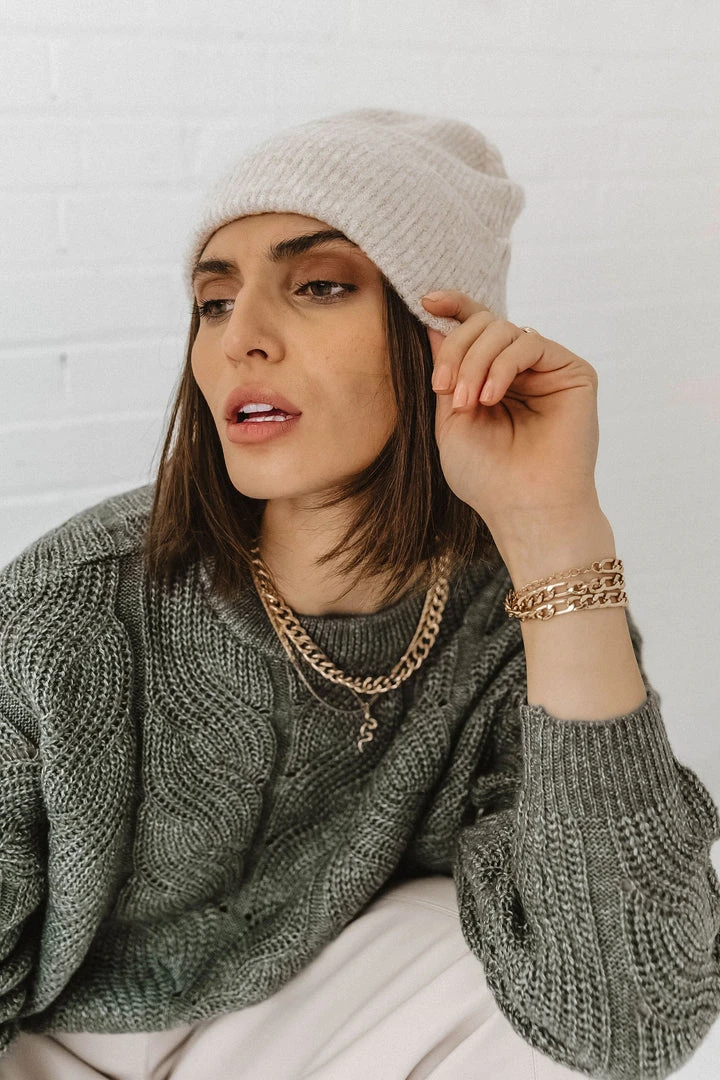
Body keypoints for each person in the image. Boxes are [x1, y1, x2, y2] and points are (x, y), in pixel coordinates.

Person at [0, 108, 718, 1080]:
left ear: (445, 340)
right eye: (214, 302)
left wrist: (557, 535)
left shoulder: (518, 613)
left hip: (292, 1026)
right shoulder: (71, 612)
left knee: (505, 951)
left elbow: (632, 1025)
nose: (241, 339)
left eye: (319, 286)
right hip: (49, 1037)